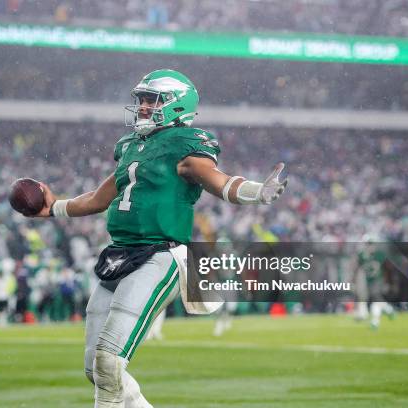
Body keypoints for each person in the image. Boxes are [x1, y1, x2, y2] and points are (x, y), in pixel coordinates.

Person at [30, 69, 287, 407]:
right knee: (97, 369)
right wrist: (54, 208)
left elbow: (217, 180)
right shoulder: (132, 147)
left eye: (153, 100)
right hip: (119, 255)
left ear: (178, 105)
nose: (144, 107)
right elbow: (98, 198)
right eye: (141, 100)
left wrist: (257, 191)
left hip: (159, 255)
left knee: (110, 361)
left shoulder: (184, 144)